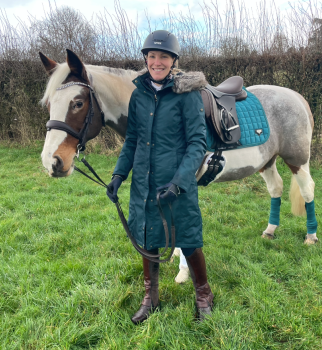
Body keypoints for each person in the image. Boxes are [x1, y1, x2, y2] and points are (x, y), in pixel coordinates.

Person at [106, 30, 214, 324]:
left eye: (163, 56)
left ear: (173, 60)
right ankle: (150, 297)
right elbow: (132, 141)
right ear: (146, 59)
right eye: (152, 56)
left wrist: (179, 182)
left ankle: (204, 295)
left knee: (188, 237)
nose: (157, 61)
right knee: (146, 237)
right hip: (143, 181)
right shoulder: (138, 95)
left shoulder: (187, 95)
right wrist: (119, 174)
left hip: (176, 183)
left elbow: (196, 144)